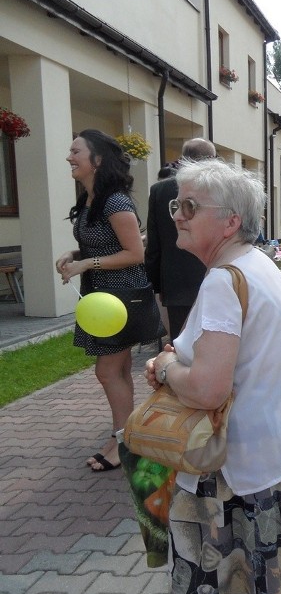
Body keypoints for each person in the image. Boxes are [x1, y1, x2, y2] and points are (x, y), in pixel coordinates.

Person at [143, 159, 281, 594]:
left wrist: (167, 367)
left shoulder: (223, 280)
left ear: (230, 221)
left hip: (233, 469)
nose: (177, 215)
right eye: (175, 204)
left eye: (189, 205)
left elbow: (209, 388)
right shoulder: (258, 265)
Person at [56, 129, 154, 472]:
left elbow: (135, 253)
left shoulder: (115, 201)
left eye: (75, 151)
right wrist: (75, 253)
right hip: (103, 298)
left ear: (96, 160)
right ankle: (125, 438)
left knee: (107, 371)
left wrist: (87, 262)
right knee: (120, 369)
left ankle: (125, 442)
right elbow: (106, 244)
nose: (69, 157)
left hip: (121, 297)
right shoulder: (89, 200)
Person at [145, 138, 215, 340]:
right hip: (212, 275)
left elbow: (154, 243)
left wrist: (157, 285)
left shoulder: (159, 190)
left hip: (176, 283)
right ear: (210, 159)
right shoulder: (218, 189)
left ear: (183, 160)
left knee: (182, 344)